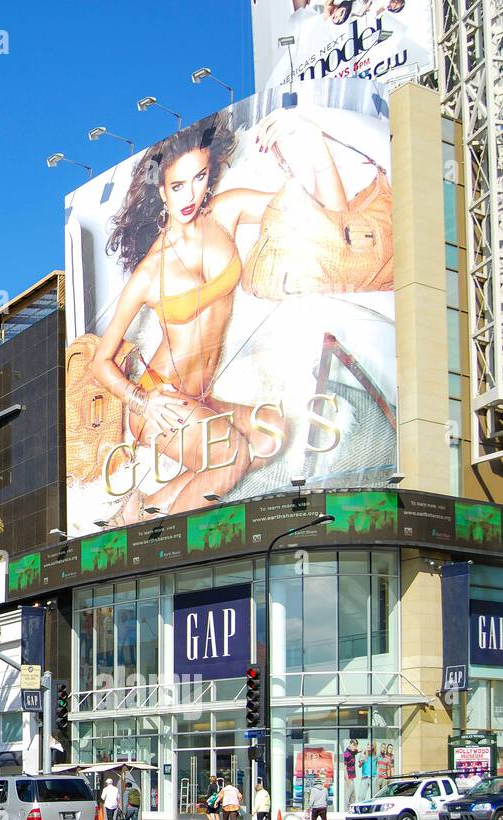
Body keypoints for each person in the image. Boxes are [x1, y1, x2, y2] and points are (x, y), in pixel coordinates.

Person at [91, 108, 358, 522]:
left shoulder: (226, 213)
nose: (190, 195)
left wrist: (311, 140)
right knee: (229, 454)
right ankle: (158, 548)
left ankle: (139, 510)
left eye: (199, 178)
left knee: (271, 432)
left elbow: (328, 213)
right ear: (162, 192)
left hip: (202, 395)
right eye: (177, 186)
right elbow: (100, 361)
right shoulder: (149, 272)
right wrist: (140, 401)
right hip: (161, 399)